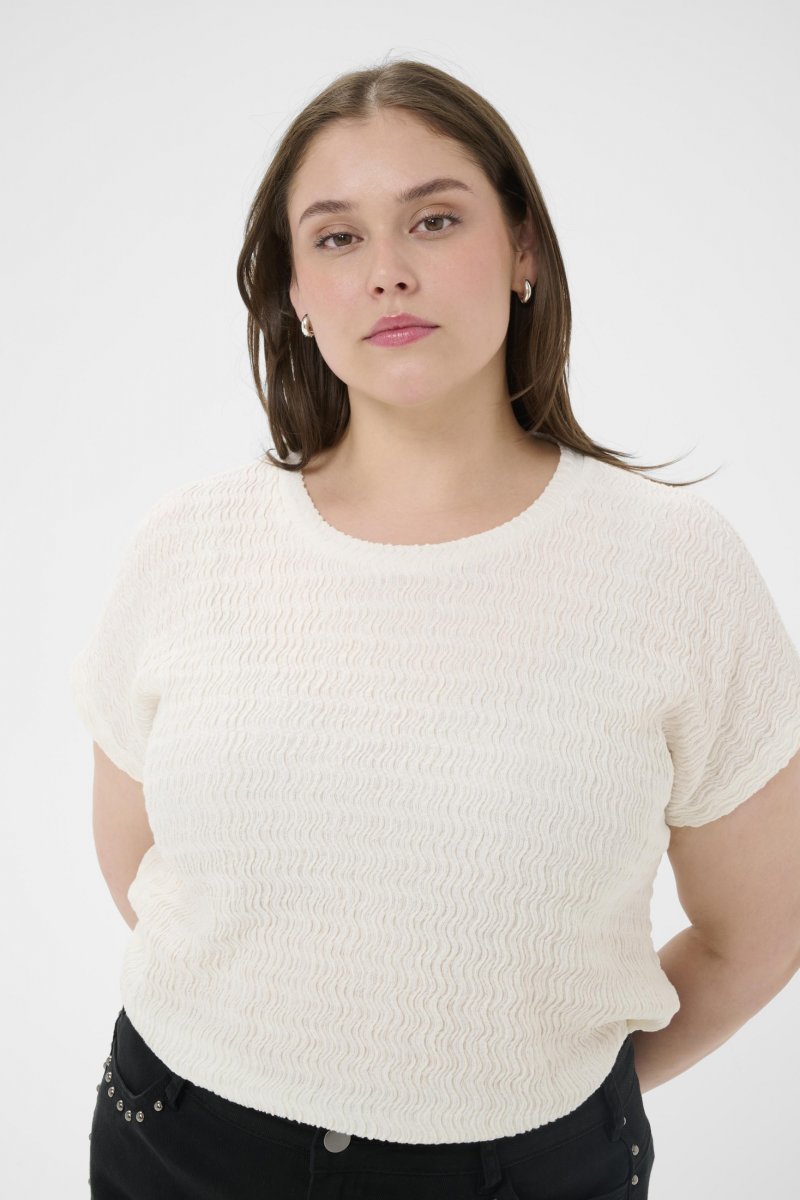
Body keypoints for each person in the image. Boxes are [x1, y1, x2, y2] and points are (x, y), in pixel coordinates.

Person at [72, 58, 800, 1200]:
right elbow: (146, 870)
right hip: (181, 1141)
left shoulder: (674, 568)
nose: (388, 272)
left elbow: (754, 932)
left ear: (521, 250)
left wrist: (542, 1107)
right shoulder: (190, 545)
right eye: (337, 238)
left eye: (434, 219)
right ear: (296, 292)